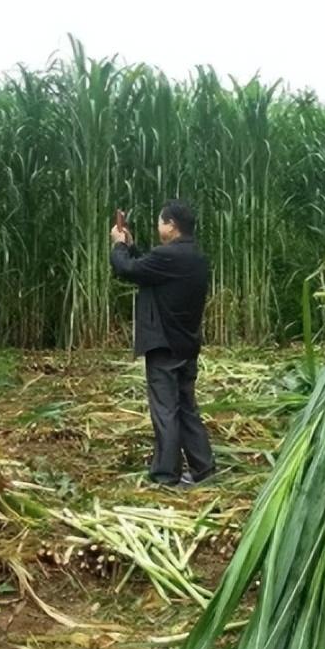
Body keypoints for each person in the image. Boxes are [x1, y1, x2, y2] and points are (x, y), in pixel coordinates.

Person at [109, 199, 216, 487]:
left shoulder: (168, 257)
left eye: (160, 222)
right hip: (186, 345)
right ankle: (203, 468)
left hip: (164, 346)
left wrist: (118, 245)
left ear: (171, 225)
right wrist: (132, 247)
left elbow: (127, 270)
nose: (158, 228)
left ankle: (166, 475)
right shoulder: (195, 257)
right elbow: (149, 270)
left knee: (165, 410)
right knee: (186, 407)